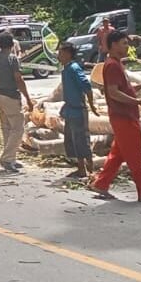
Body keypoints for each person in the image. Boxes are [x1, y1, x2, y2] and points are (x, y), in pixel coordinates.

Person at [88, 31, 141, 203]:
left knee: (118, 154)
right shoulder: (112, 65)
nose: (127, 46)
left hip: (124, 115)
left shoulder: (116, 63)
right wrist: (138, 101)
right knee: (135, 155)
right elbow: (114, 93)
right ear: (113, 44)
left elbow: (122, 90)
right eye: (123, 43)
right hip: (123, 117)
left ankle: (101, 184)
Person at [0, 31, 34, 173]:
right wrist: (27, 97)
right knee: (18, 128)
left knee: (6, 128)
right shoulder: (12, 59)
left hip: (0, 96)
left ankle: (11, 158)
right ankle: (7, 159)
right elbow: (18, 79)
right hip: (11, 96)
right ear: (11, 44)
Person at [57, 42, 98, 180]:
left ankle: (90, 169)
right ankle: (80, 168)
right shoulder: (66, 69)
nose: (58, 56)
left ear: (68, 54)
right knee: (72, 140)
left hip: (78, 110)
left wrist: (91, 105)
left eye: (61, 53)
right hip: (70, 110)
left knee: (81, 140)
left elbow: (86, 86)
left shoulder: (74, 68)